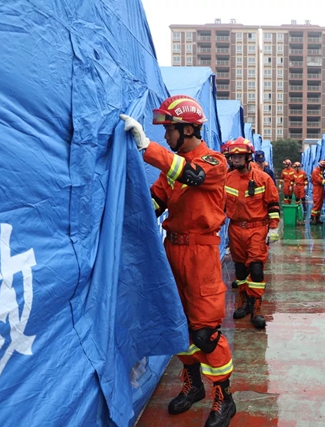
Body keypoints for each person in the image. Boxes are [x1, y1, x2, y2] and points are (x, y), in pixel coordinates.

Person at [119, 95, 235, 427]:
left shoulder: (213, 161)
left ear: (187, 129)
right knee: (177, 322)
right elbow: (156, 200)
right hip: (172, 250)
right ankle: (193, 384)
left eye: (169, 130)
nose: (164, 137)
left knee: (205, 332)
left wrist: (147, 148)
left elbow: (192, 175)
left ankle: (224, 399)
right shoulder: (173, 166)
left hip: (200, 255)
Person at [224, 137, 280, 329]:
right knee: (240, 269)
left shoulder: (263, 179)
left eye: (239, 157)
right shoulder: (227, 179)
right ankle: (243, 301)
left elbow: (273, 204)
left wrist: (273, 228)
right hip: (236, 229)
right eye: (232, 157)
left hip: (257, 229)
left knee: (256, 269)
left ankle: (256, 307)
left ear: (249, 157)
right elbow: (219, 205)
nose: (235, 160)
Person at [310, 160, 325, 224]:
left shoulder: (320, 171)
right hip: (317, 189)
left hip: (320, 188)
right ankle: (313, 219)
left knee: (320, 204)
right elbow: (319, 180)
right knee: (317, 203)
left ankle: (317, 218)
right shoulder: (316, 171)